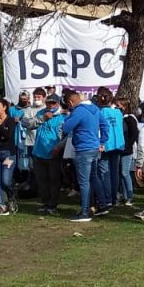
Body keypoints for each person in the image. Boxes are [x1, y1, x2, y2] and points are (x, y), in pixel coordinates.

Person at [62, 92, 110, 222]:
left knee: (83, 181)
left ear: (71, 102)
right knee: (94, 177)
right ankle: (102, 205)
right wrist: (102, 140)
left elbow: (66, 128)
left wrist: (67, 116)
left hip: (83, 148)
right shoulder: (95, 109)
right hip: (94, 147)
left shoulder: (78, 111)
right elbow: (105, 125)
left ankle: (85, 211)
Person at [31, 94, 65, 215]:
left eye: (53, 103)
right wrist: (42, 119)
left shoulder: (63, 116)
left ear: (58, 103)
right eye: (48, 103)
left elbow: (66, 136)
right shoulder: (41, 113)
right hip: (38, 152)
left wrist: (58, 147)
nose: (50, 105)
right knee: (41, 180)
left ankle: (53, 205)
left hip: (54, 154)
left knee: (54, 180)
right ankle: (45, 203)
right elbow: (29, 125)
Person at [95, 88, 125, 216]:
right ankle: (114, 198)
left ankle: (107, 199)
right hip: (118, 144)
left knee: (104, 173)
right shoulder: (118, 112)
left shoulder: (100, 112)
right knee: (114, 173)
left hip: (106, 144)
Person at [117, 98, 138, 207]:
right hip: (120, 149)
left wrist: (127, 145)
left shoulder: (130, 119)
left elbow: (134, 134)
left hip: (127, 150)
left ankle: (130, 196)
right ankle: (124, 196)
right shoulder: (120, 118)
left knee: (125, 173)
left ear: (124, 107)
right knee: (121, 173)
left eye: (119, 106)